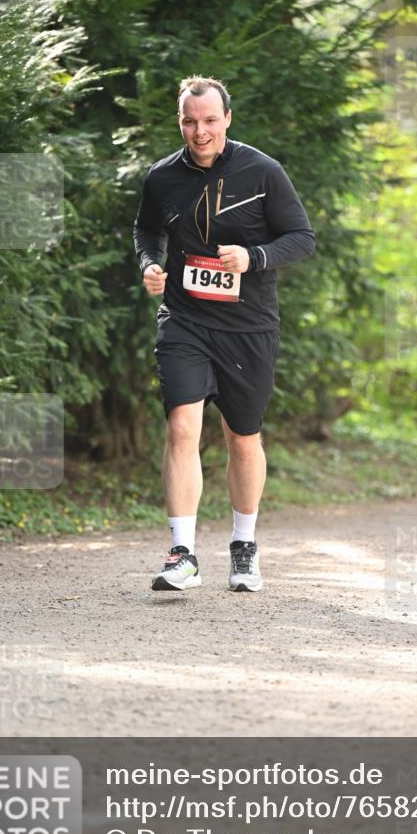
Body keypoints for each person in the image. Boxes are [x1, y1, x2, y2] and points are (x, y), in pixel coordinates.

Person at [133, 75, 315, 593]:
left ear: (227, 120)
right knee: (182, 427)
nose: (200, 131)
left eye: (210, 120)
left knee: (242, 438)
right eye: (190, 121)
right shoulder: (162, 176)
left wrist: (254, 257)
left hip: (248, 327)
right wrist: (150, 262)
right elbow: (147, 229)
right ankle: (183, 553)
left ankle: (243, 545)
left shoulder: (263, 172)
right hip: (185, 319)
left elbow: (302, 238)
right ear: (180, 122)